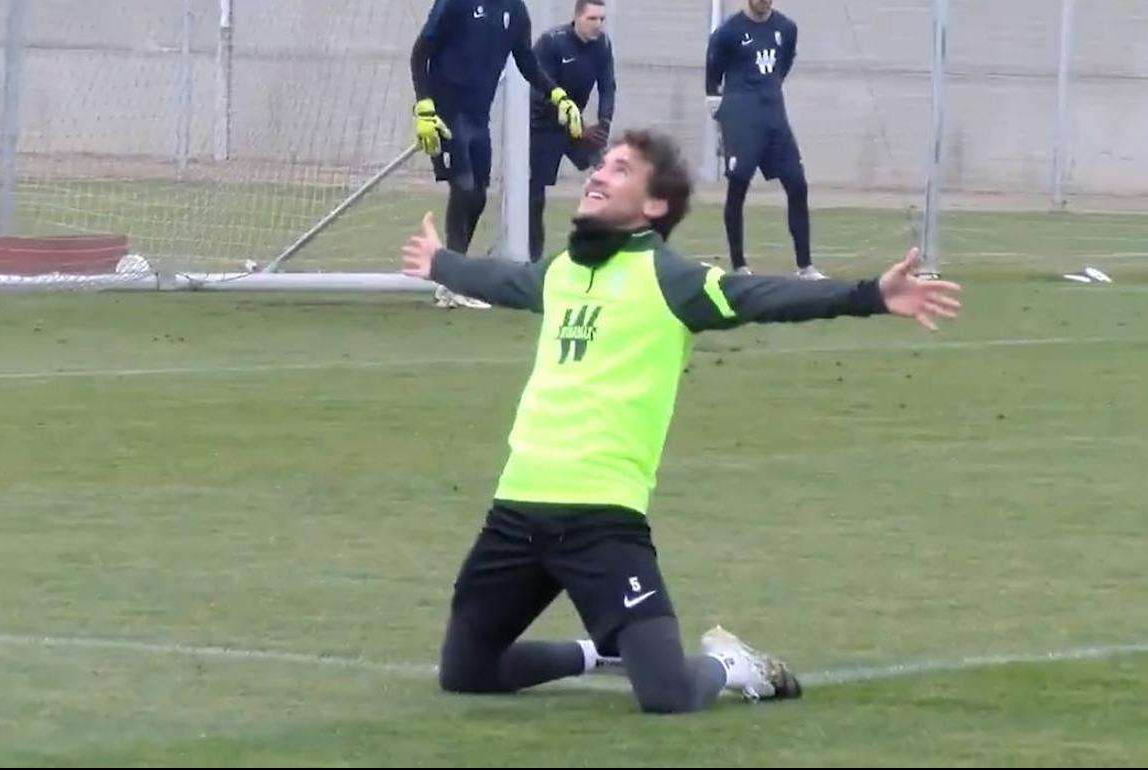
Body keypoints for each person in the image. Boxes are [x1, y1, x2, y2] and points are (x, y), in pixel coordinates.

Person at [400, 128, 962, 714]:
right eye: (601, 164)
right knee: (465, 671)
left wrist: (869, 294)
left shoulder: (672, 281)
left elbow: (761, 296)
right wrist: (441, 263)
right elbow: (503, 281)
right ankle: (603, 654)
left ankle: (731, 663)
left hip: (602, 519)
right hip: (516, 512)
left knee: (667, 697)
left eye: (620, 169)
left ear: (654, 206)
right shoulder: (561, 272)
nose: (597, 174)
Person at [410, 0, 584, 308]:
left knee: (477, 194)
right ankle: (452, 283)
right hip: (446, 112)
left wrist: (558, 95)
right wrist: (424, 105)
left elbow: (527, 61)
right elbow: (421, 51)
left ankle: (453, 276)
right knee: (463, 188)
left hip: (479, 116)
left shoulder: (515, 9)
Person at [706, 0, 820, 278]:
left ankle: (805, 266)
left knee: (797, 184)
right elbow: (712, 77)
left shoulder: (786, 28)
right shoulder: (728, 33)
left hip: (774, 118)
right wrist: (725, 115)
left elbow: (785, 63)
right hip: (742, 119)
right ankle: (739, 265)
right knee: (738, 186)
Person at [528, 0, 616, 261]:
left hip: (579, 129)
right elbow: (540, 92)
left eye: (602, 19)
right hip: (543, 126)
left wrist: (603, 123)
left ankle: (604, 246)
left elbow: (607, 87)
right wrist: (576, 125)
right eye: (592, 19)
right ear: (576, 17)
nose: (598, 25)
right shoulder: (551, 42)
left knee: (608, 175)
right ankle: (531, 257)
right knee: (535, 195)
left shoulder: (603, 44)